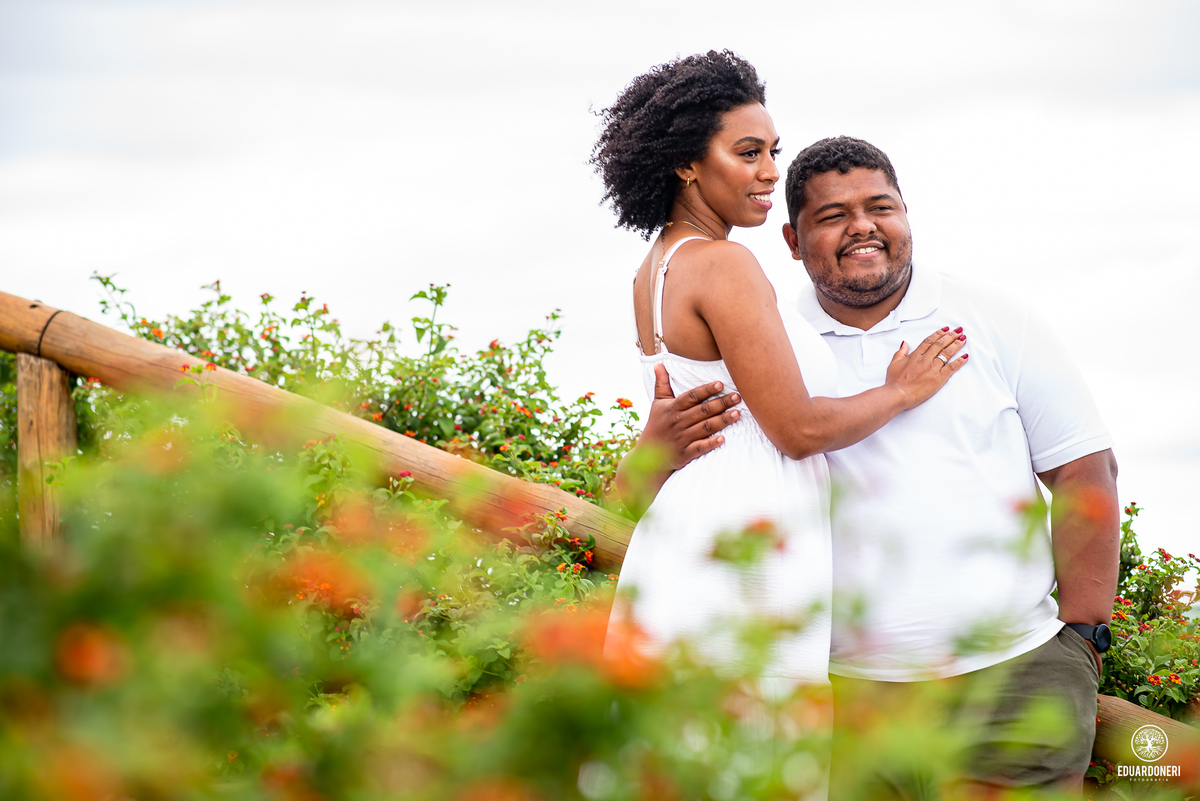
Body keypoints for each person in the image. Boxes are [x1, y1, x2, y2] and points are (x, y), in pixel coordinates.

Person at [637, 135, 1120, 795]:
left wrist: (1085, 635)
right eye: (833, 215)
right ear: (792, 239)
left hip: (1012, 678)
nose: (862, 226)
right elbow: (701, 472)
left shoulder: (995, 319)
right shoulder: (774, 339)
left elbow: (1084, 471)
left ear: (906, 216)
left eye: (881, 207)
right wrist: (654, 448)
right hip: (846, 698)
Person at [590, 52, 967, 685]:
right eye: (748, 153)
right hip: (743, 534)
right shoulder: (723, 264)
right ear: (685, 162)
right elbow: (798, 430)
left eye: (772, 151)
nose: (770, 172)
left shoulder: (654, 269)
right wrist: (901, 391)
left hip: (690, 521)